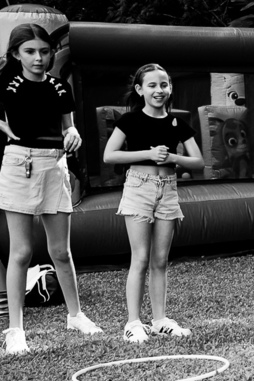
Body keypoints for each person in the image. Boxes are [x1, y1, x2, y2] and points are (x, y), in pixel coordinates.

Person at [0, 23, 102, 355]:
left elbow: (69, 130)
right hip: (19, 164)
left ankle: (75, 315)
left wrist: (74, 136)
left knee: (61, 251)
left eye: (44, 51)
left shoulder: (60, 87)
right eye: (30, 51)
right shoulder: (5, 83)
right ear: (16, 54)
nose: (39, 58)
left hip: (55, 165)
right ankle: (15, 330)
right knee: (21, 252)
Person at [102, 63, 204, 343]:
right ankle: (133, 323)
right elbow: (109, 155)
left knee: (160, 260)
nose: (159, 90)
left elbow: (199, 162)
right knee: (141, 258)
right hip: (138, 188)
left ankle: (159, 320)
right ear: (140, 90)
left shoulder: (177, 123)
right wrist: (148, 153)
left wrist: (172, 158)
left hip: (168, 190)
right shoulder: (130, 120)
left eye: (164, 85)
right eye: (152, 85)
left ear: (170, 88)